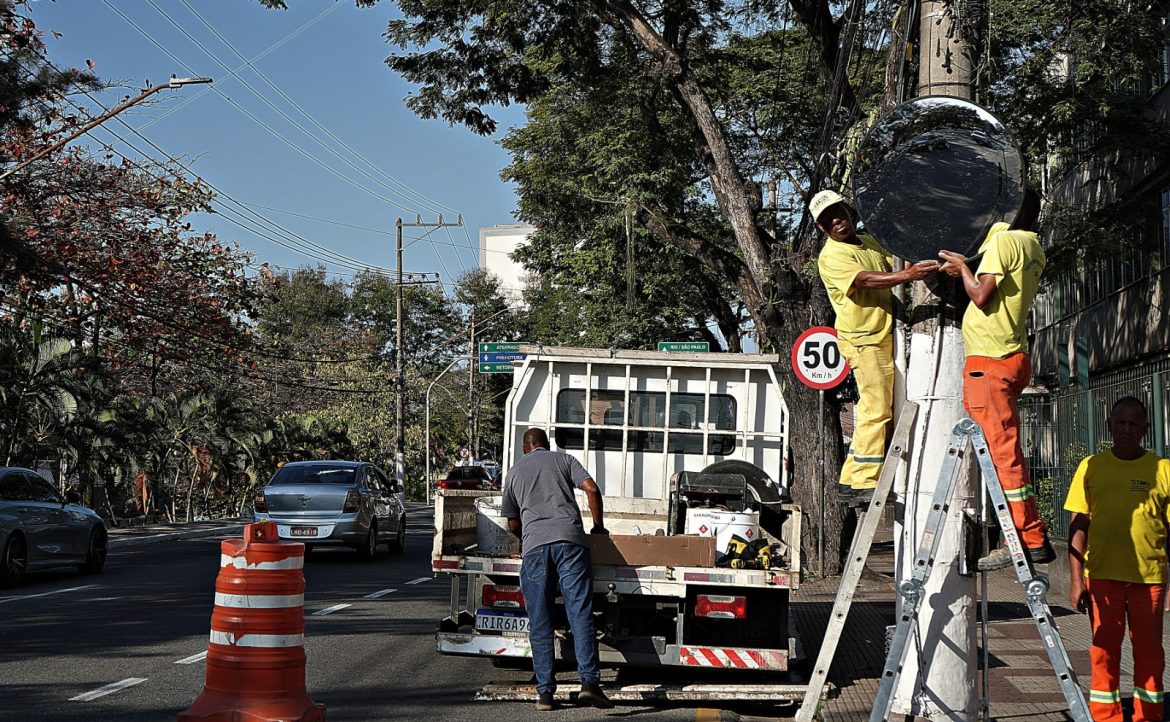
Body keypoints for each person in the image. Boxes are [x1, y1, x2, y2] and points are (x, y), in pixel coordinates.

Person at [938, 188, 1055, 570]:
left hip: (990, 359)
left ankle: (1029, 538)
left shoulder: (1004, 241)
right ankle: (1014, 532)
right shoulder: (1033, 246)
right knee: (1000, 449)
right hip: (1012, 356)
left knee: (1004, 454)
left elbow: (982, 295)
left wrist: (963, 271)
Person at [813, 189, 939, 506]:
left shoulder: (867, 242)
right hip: (864, 338)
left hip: (883, 334)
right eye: (828, 220)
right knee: (876, 408)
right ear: (822, 229)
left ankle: (850, 480)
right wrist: (909, 275)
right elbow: (866, 280)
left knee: (880, 407)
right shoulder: (833, 255)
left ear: (848, 210)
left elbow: (896, 261)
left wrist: (927, 262)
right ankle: (864, 481)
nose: (836, 221)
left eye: (838, 213)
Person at [1063, 397, 1170, 722]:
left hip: (1149, 581)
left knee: (1150, 655)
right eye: (1120, 423)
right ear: (1109, 426)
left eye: (1133, 424)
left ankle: (1148, 716)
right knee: (1103, 653)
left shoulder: (1163, 469)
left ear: (1145, 429)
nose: (1126, 429)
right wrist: (1076, 580)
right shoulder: (1091, 466)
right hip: (1103, 579)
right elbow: (1078, 526)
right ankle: (1105, 716)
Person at [501, 427, 613, 712]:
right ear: (546, 445)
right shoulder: (564, 460)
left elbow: (512, 521)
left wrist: (526, 536)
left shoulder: (514, 473)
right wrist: (597, 528)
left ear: (525, 447)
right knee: (580, 612)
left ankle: (546, 694)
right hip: (571, 543)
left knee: (541, 620)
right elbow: (591, 488)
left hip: (536, 548)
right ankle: (589, 684)